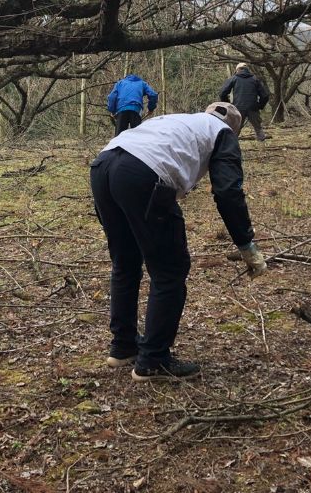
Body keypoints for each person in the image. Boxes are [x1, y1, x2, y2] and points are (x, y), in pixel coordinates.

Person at [89, 102, 267, 381]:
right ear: (236, 127)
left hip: (103, 165)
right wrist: (246, 244)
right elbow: (228, 191)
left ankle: (123, 346)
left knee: (125, 261)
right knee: (170, 269)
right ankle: (153, 360)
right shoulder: (224, 133)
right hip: (141, 171)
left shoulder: (181, 120)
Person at [218, 63, 270, 140]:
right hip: (253, 108)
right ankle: (263, 146)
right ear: (247, 69)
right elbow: (265, 96)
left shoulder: (234, 78)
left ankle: (232, 145)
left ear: (237, 70)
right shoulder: (255, 79)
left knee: (235, 129)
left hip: (238, 107)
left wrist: (228, 104)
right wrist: (259, 106)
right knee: (258, 129)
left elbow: (222, 93)